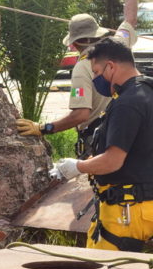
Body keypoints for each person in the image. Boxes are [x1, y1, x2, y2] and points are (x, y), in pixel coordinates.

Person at [15, 0, 140, 159]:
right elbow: (130, 19)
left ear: (74, 43)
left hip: (102, 139)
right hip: (131, 133)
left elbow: (81, 114)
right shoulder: (120, 44)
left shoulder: (84, 66)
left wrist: (44, 127)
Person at [51, 38, 153, 252]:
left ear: (111, 66)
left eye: (97, 72)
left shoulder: (127, 104)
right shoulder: (147, 92)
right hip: (143, 204)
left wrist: (76, 167)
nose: (96, 78)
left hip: (127, 212)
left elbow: (113, 161)